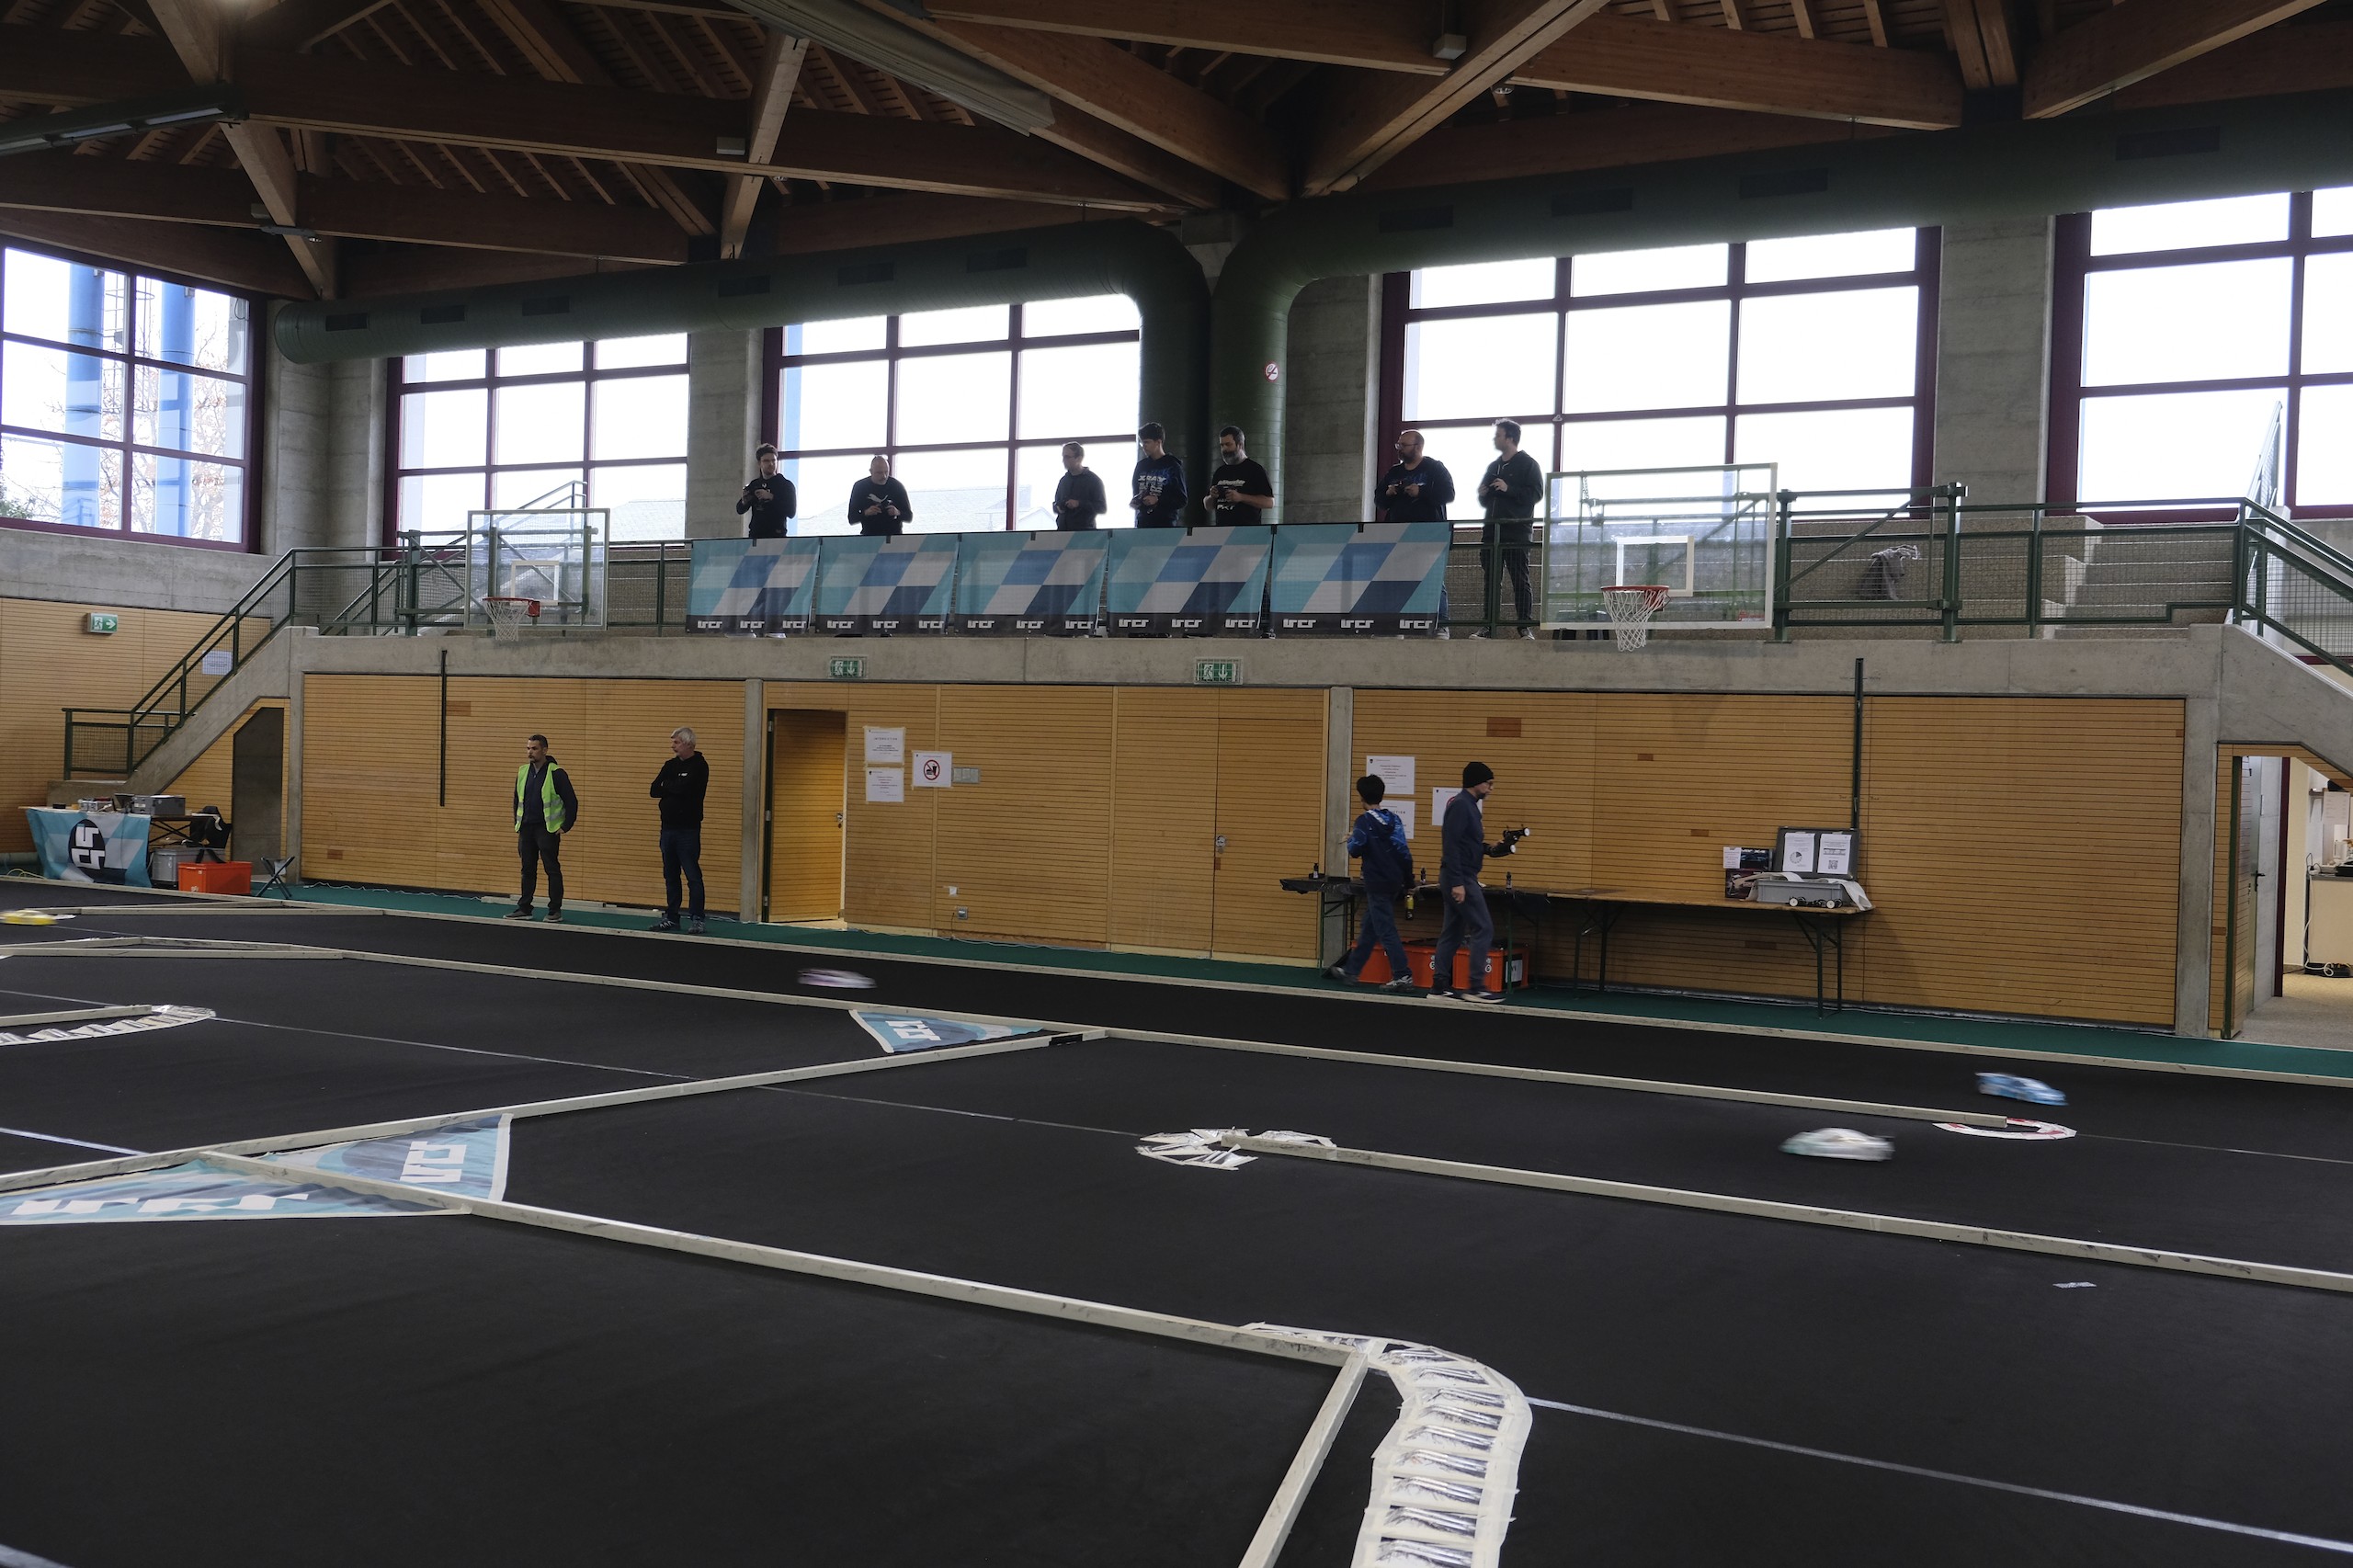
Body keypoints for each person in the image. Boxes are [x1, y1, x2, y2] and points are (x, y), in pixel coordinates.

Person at [1428, 761, 1516, 1004]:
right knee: (1483, 928)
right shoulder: (1461, 806)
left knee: (1453, 931)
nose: (1491, 788)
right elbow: (1451, 845)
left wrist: (1492, 848)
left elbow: (1468, 844)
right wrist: (1458, 882)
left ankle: (1439, 987)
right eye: (1489, 783)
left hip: (1458, 875)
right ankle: (1476, 987)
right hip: (1460, 877)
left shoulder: (1470, 807)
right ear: (1476, 782)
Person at [1326, 774, 1417, 994]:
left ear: (1361, 797)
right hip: (1394, 881)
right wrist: (1409, 881)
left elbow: (1355, 850)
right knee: (1370, 926)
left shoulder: (1363, 822)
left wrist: (1351, 838)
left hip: (1376, 881)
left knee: (1386, 930)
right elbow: (1404, 853)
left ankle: (1403, 974)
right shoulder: (1395, 820)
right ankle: (1351, 970)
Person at [1477, 419, 1544, 638]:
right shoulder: (1493, 466)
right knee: (1491, 581)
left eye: (1498, 435)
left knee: (1519, 579)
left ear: (1510, 438)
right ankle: (1488, 626)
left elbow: (1535, 494)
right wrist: (1484, 494)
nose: (1494, 439)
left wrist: (1509, 488)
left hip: (1516, 532)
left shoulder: (1528, 464)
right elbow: (1485, 502)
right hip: (1492, 533)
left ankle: (1524, 626)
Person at [509, 733, 579, 924]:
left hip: (547, 829)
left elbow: (571, 801)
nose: (530, 752)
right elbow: (517, 799)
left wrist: (566, 826)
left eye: (534, 749)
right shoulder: (523, 771)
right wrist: (517, 823)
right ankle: (524, 908)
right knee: (527, 869)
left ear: (545, 750)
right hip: (526, 828)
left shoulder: (557, 773)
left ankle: (555, 910)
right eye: (528, 748)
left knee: (552, 869)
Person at [648, 725, 709, 935]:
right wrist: (674, 786)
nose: (672, 746)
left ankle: (697, 918)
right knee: (670, 875)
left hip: (688, 830)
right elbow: (654, 789)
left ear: (688, 744)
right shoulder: (669, 765)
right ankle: (672, 917)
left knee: (692, 875)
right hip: (668, 829)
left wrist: (669, 786)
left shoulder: (700, 766)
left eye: (676, 742)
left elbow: (687, 789)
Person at [1376, 429, 1454, 523]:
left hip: (1429, 527)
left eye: (1404, 445)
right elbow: (1379, 501)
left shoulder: (1435, 468)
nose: (1400, 449)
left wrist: (1420, 492)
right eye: (1398, 445)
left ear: (1418, 447)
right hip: (1397, 528)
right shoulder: (1394, 472)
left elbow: (1448, 494)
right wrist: (1388, 494)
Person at [1205, 425, 1273, 525]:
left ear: (1240, 445)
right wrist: (1212, 496)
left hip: (1247, 529)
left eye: (1228, 444)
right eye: (1222, 445)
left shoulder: (1255, 470)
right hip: (1221, 530)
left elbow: (1269, 502)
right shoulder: (1220, 471)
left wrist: (1241, 497)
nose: (1224, 449)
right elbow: (1207, 506)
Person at [1130, 422, 1187, 528]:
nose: (1144, 446)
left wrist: (1158, 500)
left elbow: (1182, 500)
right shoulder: (1141, 466)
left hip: (1166, 524)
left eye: (1147, 442)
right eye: (1142, 443)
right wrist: (1137, 501)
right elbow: (1136, 491)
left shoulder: (1173, 466)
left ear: (1158, 442)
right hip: (1143, 522)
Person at [736, 443, 796, 540]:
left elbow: (791, 512)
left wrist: (771, 497)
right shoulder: (755, 484)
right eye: (766, 461)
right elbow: (740, 510)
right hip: (755, 536)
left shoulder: (785, 485)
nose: (771, 464)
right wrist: (744, 502)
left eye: (773, 460)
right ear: (759, 463)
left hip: (777, 536)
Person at [847, 454, 914, 537]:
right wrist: (866, 513)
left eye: (886, 472)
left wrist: (897, 512)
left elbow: (909, 517)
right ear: (871, 471)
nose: (884, 476)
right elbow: (851, 518)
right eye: (879, 473)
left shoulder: (897, 486)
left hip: (894, 536)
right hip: (870, 536)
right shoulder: (860, 487)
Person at [1052, 442, 1107, 530]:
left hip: (1084, 533)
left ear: (1079, 458)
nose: (1063, 460)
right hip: (1063, 531)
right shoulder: (1063, 481)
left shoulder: (1093, 481)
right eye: (1063, 457)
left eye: (1067, 457)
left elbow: (1101, 507)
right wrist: (1059, 507)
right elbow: (1056, 504)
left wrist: (1079, 504)